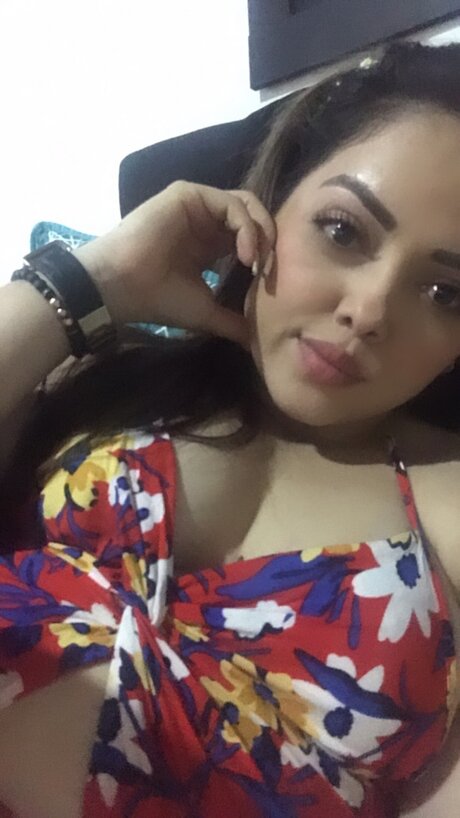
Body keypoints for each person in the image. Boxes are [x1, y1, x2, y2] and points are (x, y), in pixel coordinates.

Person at [0, 39, 460, 818]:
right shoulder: (96, 381)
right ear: (267, 203)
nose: (368, 311)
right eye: (343, 231)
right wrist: (93, 280)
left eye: (447, 293)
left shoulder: (447, 508)